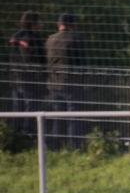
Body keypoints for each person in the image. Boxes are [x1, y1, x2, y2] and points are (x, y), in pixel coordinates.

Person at [46, 13, 88, 150]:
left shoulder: (50, 39)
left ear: (58, 25)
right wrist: (84, 81)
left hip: (53, 82)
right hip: (73, 83)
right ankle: (74, 147)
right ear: (73, 26)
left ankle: (57, 146)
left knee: (58, 116)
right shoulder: (77, 39)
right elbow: (82, 63)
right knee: (74, 116)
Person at [7, 11, 45, 137]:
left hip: (16, 79)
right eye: (40, 22)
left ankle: (14, 135)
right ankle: (29, 135)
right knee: (31, 109)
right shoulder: (35, 39)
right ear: (33, 24)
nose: (42, 24)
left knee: (17, 108)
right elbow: (39, 61)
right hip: (31, 80)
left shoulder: (15, 37)